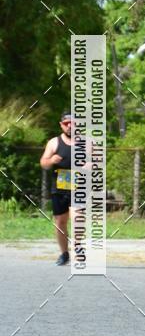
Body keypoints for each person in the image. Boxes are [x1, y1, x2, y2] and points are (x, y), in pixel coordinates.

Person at [40, 111, 74, 266]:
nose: (70, 126)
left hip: (79, 186)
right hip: (59, 186)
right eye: (66, 123)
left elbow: (97, 162)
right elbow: (43, 162)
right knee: (60, 221)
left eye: (73, 123)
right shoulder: (54, 142)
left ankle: (79, 249)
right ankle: (64, 254)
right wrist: (51, 160)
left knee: (77, 217)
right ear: (61, 125)